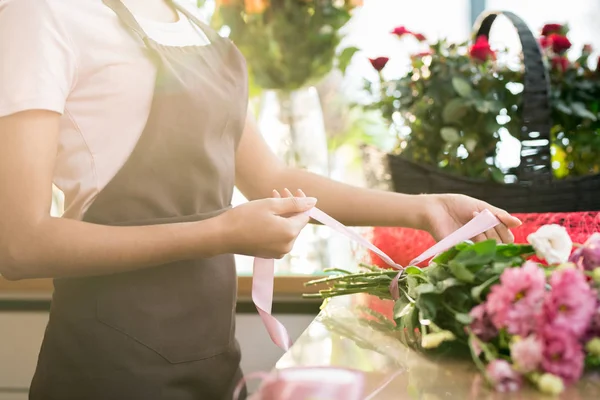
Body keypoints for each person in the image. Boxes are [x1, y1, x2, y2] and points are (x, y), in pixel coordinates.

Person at [0, 0, 521, 398]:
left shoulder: (193, 28)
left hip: (214, 362)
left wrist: (421, 207)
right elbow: (21, 244)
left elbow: (271, 177)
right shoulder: (44, 14)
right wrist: (223, 232)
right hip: (109, 370)